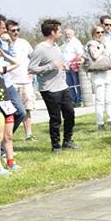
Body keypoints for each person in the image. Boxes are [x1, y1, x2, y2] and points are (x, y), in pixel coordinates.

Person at [29, 19, 79, 152]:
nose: (61, 33)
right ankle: (55, 146)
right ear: (52, 32)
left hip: (62, 86)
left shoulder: (57, 46)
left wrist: (65, 66)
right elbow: (31, 68)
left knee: (70, 114)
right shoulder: (40, 49)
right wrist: (51, 66)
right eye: (59, 31)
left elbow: (60, 62)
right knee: (56, 118)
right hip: (49, 89)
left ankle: (67, 140)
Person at [5, 20, 36, 140]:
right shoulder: (3, 44)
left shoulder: (24, 43)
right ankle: (8, 135)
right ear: (7, 31)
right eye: (13, 30)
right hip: (11, 82)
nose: (16, 32)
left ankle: (28, 134)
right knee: (13, 111)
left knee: (27, 108)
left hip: (26, 80)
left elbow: (33, 57)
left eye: (18, 30)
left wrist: (32, 70)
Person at [85, 25, 111, 130]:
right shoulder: (92, 44)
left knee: (109, 99)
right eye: (98, 32)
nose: (100, 34)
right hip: (98, 74)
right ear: (93, 34)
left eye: (102, 32)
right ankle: (100, 123)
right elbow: (94, 56)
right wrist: (102, 48)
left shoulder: (104, 43)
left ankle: (110, 120)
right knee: (100, 100)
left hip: (108, 73)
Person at [62, 29, 84, 107]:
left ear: (73, 34)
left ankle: (80, 99)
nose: (67, 36)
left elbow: (79, 54)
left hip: (74, 66)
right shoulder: (64, 43)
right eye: (66, 34)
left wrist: (72, 63)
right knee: (70, 85)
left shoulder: (76, 42)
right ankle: (73, 99)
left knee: (77, 84)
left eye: (69, 34)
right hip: (67, 67)